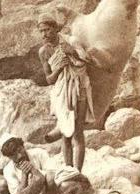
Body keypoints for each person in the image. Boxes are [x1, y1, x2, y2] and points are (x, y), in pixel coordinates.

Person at [38, 13, 96, 171]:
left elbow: (89, 60)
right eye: (41, 31)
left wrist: (72, 52)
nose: (44, 34)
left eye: (47, 30)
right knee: (65, 134)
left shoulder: (72, 41)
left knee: (77, 132)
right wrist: (57, 69)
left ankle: (78, 172)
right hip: (61, 92)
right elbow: (49, 79)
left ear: (55, 28)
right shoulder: (44, 52)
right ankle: (68, 171)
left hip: (79, 87)